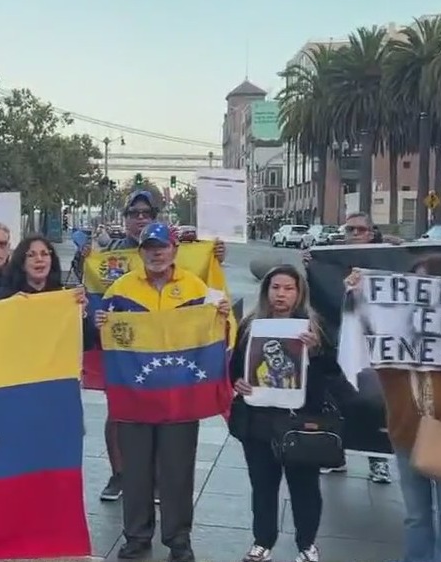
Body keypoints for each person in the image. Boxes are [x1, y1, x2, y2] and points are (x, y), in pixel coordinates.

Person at [93, 222, 231, 562]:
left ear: (174, 250)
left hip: (179, 399)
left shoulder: (196, 288)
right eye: (149, 247)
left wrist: (223, 319)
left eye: (162, 246)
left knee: (177, 472)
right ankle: (137, 538)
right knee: (135, 472)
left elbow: (218, 336)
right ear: (140, 252)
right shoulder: (120, 290)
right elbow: (107, 343)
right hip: (135, 399)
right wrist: (98, 325)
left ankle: (178, 540)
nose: (156, 252)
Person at [83, 191, 227, 503]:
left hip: (171, 350)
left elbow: (205, 286)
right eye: (133, 212)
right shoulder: (108, 255)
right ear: (125, 218)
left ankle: (162, 479)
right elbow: (96, 295)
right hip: (128, 352)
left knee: (169, 411)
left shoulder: (184, 252)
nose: (139, 217)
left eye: (145, 212)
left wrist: (215, 254)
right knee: (120, 413)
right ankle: (121, 474)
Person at [345, 253, 441, 562]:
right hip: (407, 431)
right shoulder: (397, 326)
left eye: (429, 282)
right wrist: (358, 298)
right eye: (416, 282)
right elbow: (371, 344)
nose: (421, 289)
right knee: (416, 515)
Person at [230, 265, 353, 562]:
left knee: (304, 487)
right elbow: (236, 365)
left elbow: (333, 374)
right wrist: (239, 381)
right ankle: (262, 541)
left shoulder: (313, 326)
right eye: (275, 288)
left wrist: (315, 353)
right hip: (258, 419)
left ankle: (307, 544)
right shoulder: (251, 325)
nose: (280, 294)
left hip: (301, 421)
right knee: (262, 485)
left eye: (288, 288)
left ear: (299, 293)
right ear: (266, 290)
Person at [301, 211, 394, 484]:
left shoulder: (386, 259)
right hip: (336, 340)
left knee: (373, 403)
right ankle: (335, 454)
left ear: (371, 232)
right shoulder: (330, 258)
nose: (354, 234)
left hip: (373, 343)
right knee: (335, 400)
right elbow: (315, 295)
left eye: (360, 230)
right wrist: (310, 267)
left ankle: (379, 461)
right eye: (349, 229)